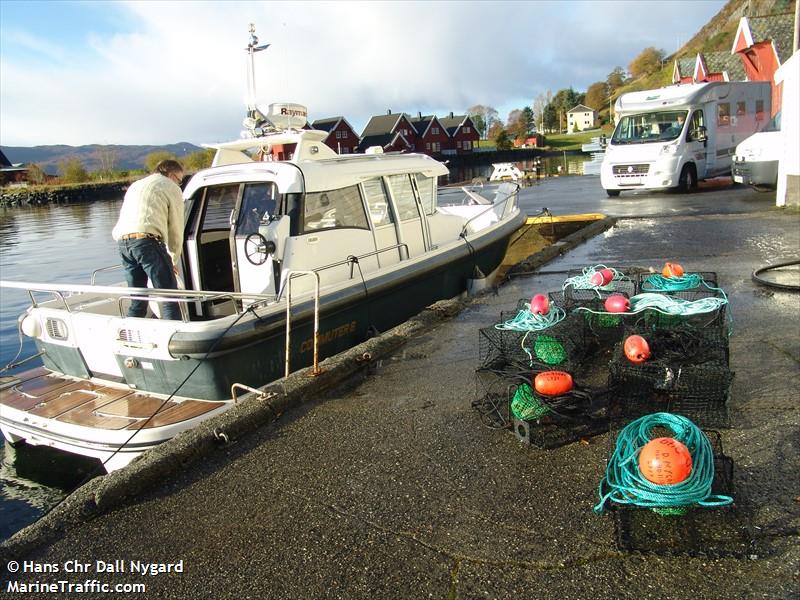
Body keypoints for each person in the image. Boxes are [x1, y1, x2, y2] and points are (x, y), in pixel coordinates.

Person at [112, 159, 185, 320]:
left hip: (123, 243)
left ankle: (130, 334)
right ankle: (172, 335)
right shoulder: (170, 187)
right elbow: (176, 227)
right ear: (172, 175)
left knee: (138, 298)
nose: (179, 185)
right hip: (146, 241)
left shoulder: (136, 185)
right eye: (180, 180)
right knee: (168, 296)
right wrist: (173, 258)